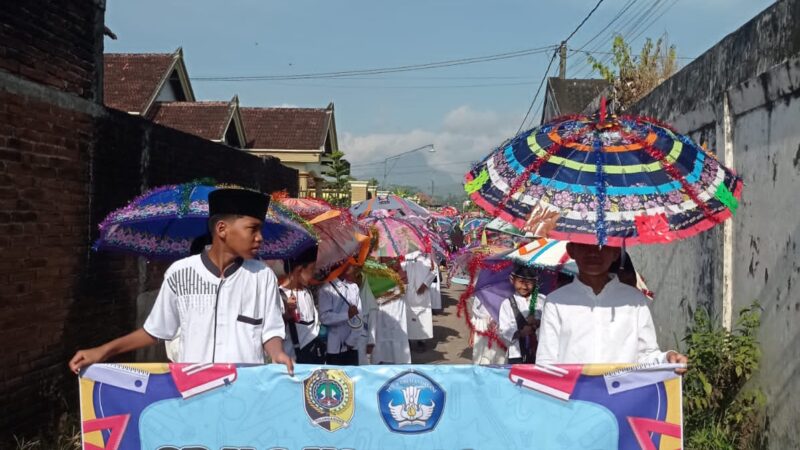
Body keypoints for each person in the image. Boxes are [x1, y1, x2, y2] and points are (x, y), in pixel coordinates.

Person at [69, 189, 294, 374]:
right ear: (222, 229)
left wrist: (277, 354)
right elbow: (155, 331)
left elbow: (270, 331)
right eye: (252, 229)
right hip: (193, 395)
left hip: (245, 396)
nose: (260, 238)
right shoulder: (180, 274)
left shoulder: (262, 277)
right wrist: (104, 351)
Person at [536, 243, 687, 373]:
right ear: (571, 250)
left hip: (620, 400)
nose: (593, 252)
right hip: (573, 401)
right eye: (584, 245)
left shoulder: (634, 300)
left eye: (602, 245)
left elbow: (646, 355)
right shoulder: (556, 301)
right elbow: (546, 361)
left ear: (615, 252)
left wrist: (667, 358)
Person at [280, 245, 325, 364]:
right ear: (300, 270)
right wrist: (286, 314)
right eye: (312, 269)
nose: (314, 273)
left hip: (314, 358)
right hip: (293, 362)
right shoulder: (279, 296)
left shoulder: (307, 293)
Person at [498, 264, 544, 364]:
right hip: (517, 353)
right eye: (521, 282)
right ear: (512, 280)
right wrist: (521, 332)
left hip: (540, 354)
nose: (524, 286)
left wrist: (538, 322)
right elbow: (503, 330)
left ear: (535, 282)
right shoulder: (507, 303)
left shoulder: (542, 300)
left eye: (529, 282)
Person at [362, 273, 411, 365]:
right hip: (378, 314)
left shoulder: (400, 272)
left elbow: (403, 288)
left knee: (397, 347)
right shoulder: (370, 273)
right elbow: (370, 294)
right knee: (379, 344)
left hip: (396, 313)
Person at [319, 264, 363, 366]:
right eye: (349, 265)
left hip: (352, 346)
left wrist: (351, 341)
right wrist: (346, 315)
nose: (352, 268)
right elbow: (324, 317)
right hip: (334, 347)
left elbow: (359, 316)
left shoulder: (354, 287)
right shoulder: (326, 289)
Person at [401, 251, 435, 350]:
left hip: (422, 290)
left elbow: (434, 269)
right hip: (409, 289)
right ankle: (409, 340)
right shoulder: (405, 253)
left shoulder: (427, 253)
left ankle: (422, 341)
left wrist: (425, 284)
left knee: (423, 315)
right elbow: (401, 267)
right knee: (409, 315)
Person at [470, 295, 507, 365]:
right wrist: (472, 334)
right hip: (481, 328)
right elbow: (475, 316)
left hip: (499, 328)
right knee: (480, 358)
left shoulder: (505, 294)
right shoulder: (481, 293)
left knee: (498, 357)